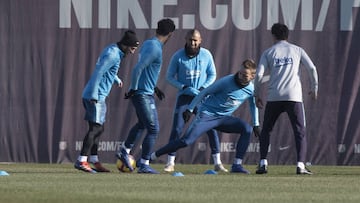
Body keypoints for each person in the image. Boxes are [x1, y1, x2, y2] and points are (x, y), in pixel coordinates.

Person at [150, 59, 261, 174]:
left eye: (245, 75)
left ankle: (237, 165)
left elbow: (253, 105)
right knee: (186, 141)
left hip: (224, 119)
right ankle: (151, 156)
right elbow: (204, 92)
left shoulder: (251, 89)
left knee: (247, 129)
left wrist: (256, 124)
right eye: (240, 73)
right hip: (207, 115)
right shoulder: (226, 81)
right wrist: (190, 109)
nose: (241, 76)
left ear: (252, 77)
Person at [254, 23, 319, 175]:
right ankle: (300, 165)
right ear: (287, 35)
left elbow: (258, 75)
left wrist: (256, 94)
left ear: (273, 36)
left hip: (274, 96)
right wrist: (314, 87)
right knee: (299, 131)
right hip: (293, 96)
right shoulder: (297, 50)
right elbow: (312, 68)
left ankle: (263, 163)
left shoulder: (269, 52)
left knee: (267, 131)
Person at [74, 30, 140, 173]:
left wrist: (115, 79)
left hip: (98, 95)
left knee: (99, 128)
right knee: (95, 128)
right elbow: (98, 72)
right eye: (133, 48)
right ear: (126, 45)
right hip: (95, 96)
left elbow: (106, 70)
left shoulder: (114, 50)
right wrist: (93, 94)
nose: (133, 52)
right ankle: (81, 160)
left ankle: (94, 160)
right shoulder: (113, 54)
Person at [116, 18, 176, 174]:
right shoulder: (155, 48)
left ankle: (124, 150)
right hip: (142, 94)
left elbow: (146, 71)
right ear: (170, 34)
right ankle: (143, 164)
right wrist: (134, 89)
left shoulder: (149, 43)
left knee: (142, 124)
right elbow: (137, 69)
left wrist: (154, 88)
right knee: (153, 129)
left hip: (146, 91)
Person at [164, 29, 227, 172]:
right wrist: (184, 87)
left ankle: (217, 162)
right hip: (185, 98)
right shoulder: (178, 56)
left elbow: (213, 74)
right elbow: (169, 77)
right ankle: (170, 162)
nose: (193, 43)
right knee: (177, 129)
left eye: (195, 40)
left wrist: (204, 89)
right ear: (186, 39)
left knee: (211, 129)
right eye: (190, 39)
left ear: (200, 41)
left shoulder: (206, 55)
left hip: (202, 98)